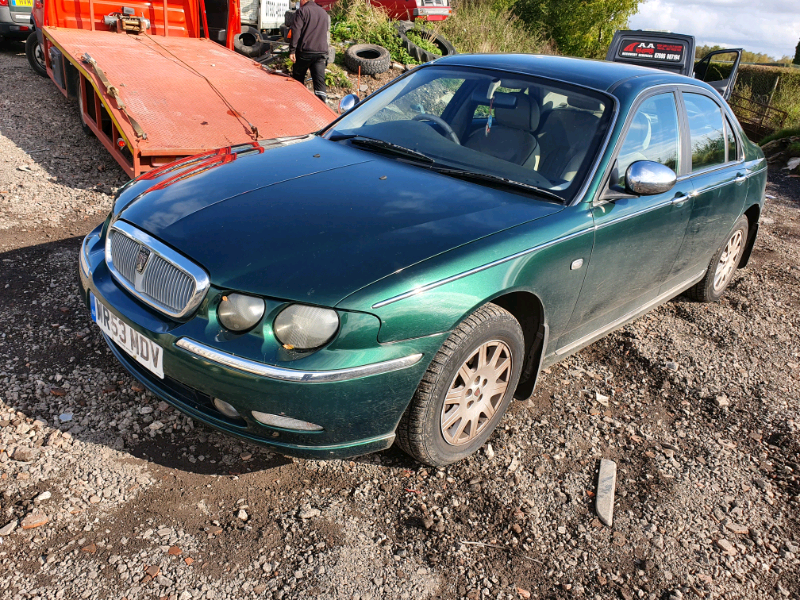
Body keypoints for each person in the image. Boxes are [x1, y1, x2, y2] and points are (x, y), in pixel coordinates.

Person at [289, 0, 330, 104]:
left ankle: (298, 102)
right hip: (321, 52)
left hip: (305, 51)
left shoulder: (302, 11)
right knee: (319, 81)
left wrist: (292, 50)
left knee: (298, 78)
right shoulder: (324, 13)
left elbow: (296, 31)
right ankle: (322, 107)